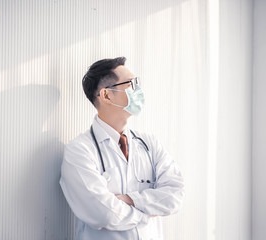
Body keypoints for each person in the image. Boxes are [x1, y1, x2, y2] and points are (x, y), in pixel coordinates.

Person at [59, 57, 185, 240]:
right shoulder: (79, 151)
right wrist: (147, 213)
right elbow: (103, 213)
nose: (138, 90)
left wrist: (129, 200)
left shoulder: (150, 144)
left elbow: (176, 195)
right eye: (131, 84)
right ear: (107, 95)